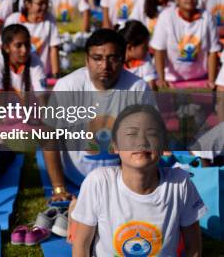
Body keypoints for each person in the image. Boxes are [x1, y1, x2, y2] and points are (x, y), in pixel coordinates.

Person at [72, 105, 205, 257]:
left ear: (163, 146)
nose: (141, 141)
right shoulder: (98, 182)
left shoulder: (180, 183)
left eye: (152, 134)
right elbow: (81, 244)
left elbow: (193, 246)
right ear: (115, 146)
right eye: (131, 134)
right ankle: (73, 210)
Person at [44, 29, 152, 198]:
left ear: (123, 59)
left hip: (122, 179)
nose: (105, 66)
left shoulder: (138, 88)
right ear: (87, 60)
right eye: (97, 58)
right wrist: (59, 188)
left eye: (113, 58)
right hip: (74, 179)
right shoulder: (67, 86)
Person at [151, 0, 220, 89]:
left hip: (200, 77)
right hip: (171, 79)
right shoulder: (166, 16)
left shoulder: (207, 17)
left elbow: (212, 51)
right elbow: (159, 50)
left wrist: (211, 80)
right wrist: (162, 79)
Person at [2, 0, 61, 76]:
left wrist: (56, 74)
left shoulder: (50, 20)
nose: (44, 6)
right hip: (16, 74)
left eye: (46, 2)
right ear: (28, 3)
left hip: (42, 73)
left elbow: (54, 48)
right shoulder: (13, 19)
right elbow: (4, 48)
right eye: (40, 3)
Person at [0, 24, 48, 92]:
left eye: (27, 44)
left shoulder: (35, 60)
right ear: (6, 48)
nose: (24, 50)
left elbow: (42, 95)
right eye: (18, 45)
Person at [119, 20, 158, 90]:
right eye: (144, 46)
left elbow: (152, 88)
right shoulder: (115, 63)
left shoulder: (145, 58)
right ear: (130, 48)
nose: (147, 49)